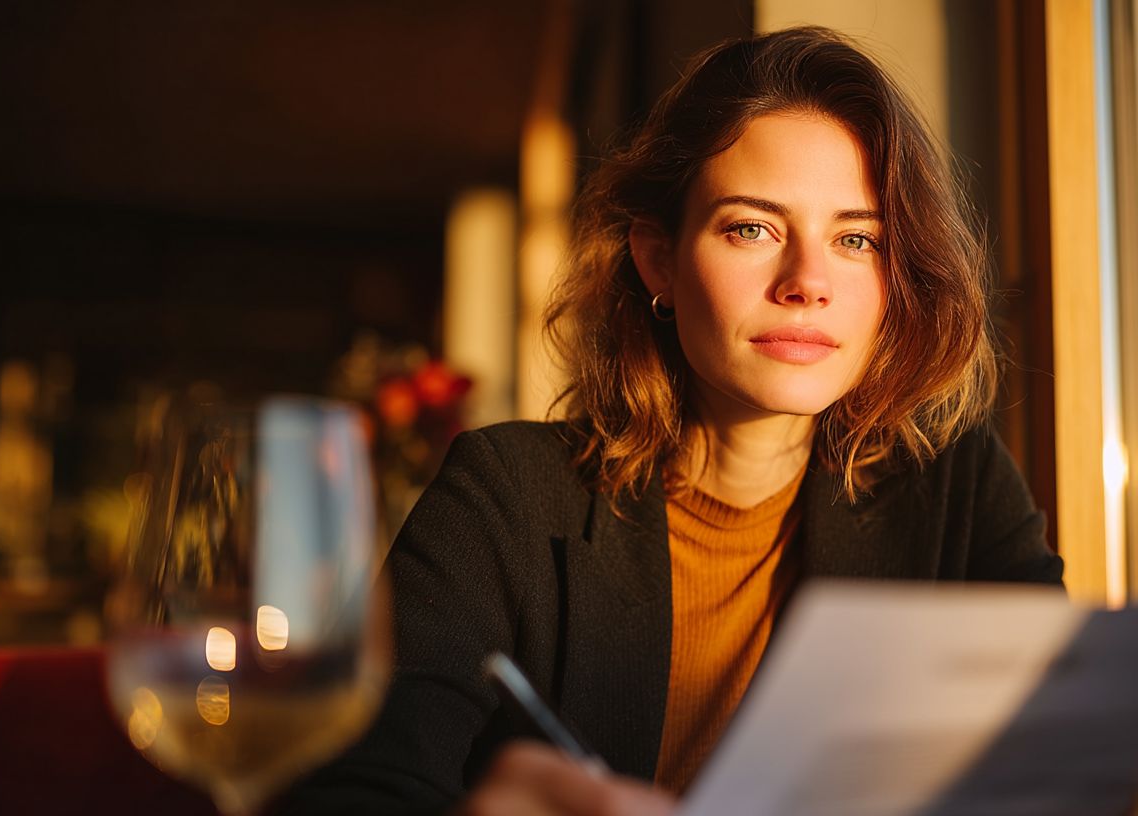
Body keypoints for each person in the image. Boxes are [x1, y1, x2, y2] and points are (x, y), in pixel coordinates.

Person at [282, 24, 1063, 816]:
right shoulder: (504, 497)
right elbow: (350, 794)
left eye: (857, 239)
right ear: (659, 258)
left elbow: (1071, 761)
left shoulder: (957, 489)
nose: (808, 281)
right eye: (752, 228)